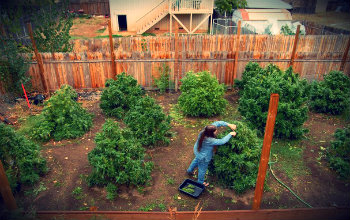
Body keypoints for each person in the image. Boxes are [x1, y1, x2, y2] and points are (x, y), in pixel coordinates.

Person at [186, 121, 236, 186]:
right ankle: (200, 182)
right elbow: (222, 141)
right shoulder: (209, 140)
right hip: (203, 157)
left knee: (197, 160)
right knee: (202, 169)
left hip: (198, 152)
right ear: (211, 133)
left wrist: (229, 124)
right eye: (215, 131)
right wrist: (230, 134)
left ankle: (189, 170)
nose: (216, 131)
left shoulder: (205, 130)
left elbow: (217, 123)